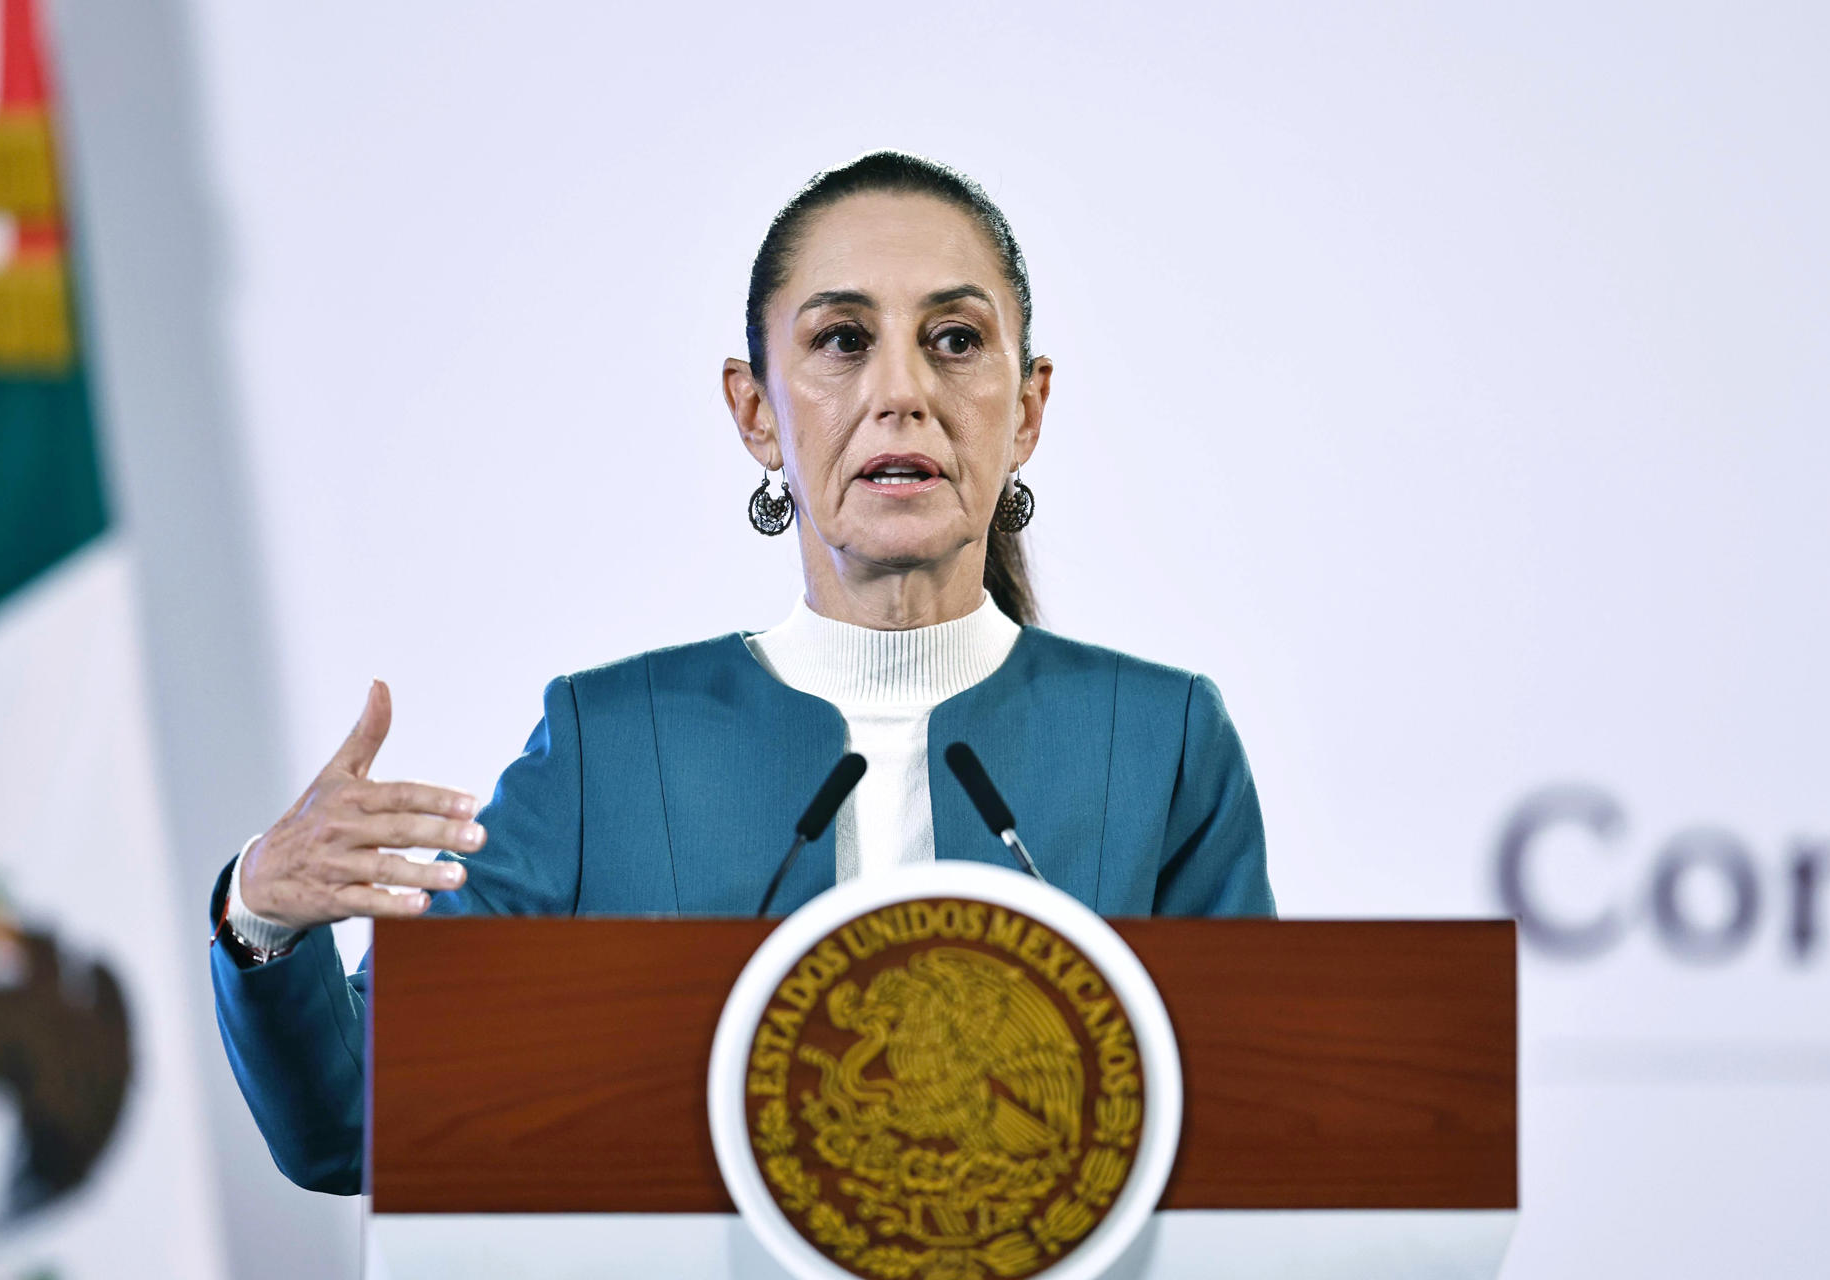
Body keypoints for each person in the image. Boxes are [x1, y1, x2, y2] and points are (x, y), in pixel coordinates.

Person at [208, 152, 1275, 1196]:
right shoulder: (614, 746)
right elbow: (350, 1121)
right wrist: (260, 911)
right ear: (756, 410)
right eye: (843, 341)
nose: (901, 391)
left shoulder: (1163, 740)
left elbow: (1255, 1130)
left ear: (1029, 408)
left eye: (954, 340)